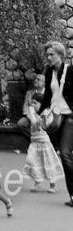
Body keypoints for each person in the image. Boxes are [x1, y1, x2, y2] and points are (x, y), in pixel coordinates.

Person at [40, 39, 73, 207]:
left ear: (60, 54)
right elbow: (47, 97)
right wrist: (40, 115)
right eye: (47, 55)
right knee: (65, 155)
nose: (49, 58)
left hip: (70, 117)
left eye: (51, 54)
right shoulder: (48, 72)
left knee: (66, 154)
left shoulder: (71, 71)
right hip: (55, 118)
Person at [23, 102, 63, 192]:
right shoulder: (32, 114)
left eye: (35, 102)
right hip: (34, 142)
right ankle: (37, 182)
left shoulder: (47, 114)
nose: (32, 104)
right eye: (32, 102)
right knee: (32, 161)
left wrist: (39, 113)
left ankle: (52, 185)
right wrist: (32, 110)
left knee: (48, 162)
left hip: (44, 143)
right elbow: (32, 120)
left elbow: (40, 123)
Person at [16, 74, 45, 141]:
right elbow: (25, 106)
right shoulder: (29, 93)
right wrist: (29, 116)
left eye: (38, 79)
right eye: (35, 79)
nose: (35, 80)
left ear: (44, 83)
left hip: (43, 116)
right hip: (30, 116)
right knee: (21, 123)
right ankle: (34, 138)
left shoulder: (48, 94)